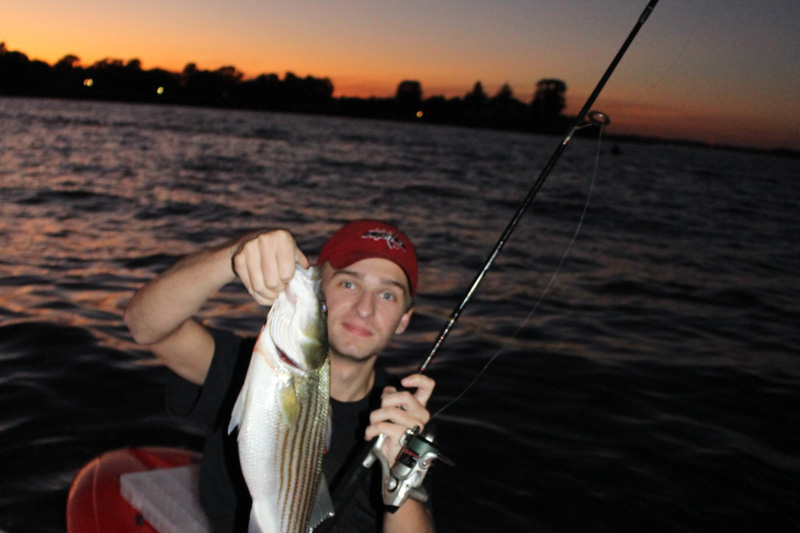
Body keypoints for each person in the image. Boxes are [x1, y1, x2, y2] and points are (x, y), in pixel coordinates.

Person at [124, 219, 436, 533]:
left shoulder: (403, 416)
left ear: (404, 319)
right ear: (323, 288)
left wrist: (405, 473)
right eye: (349, 284)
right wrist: (236, 254)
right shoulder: (242, 366)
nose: (364, 308)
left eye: (387, 295)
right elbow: (144, 325)